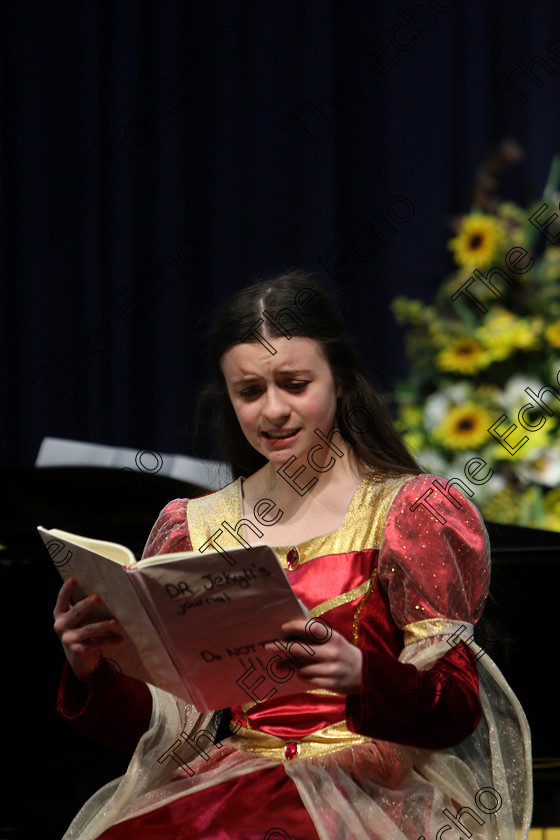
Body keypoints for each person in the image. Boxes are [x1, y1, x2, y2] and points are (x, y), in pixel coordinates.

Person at [53, 272, 532, 840]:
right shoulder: (196, 526)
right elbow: (164, 735)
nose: (274, 410)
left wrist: (363, 676)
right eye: (250, 392)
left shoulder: (407, 512)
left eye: (295, 383)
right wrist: (95, 669)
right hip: (236, 778)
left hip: (368, 785)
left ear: (341, 381)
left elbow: (455, 710)